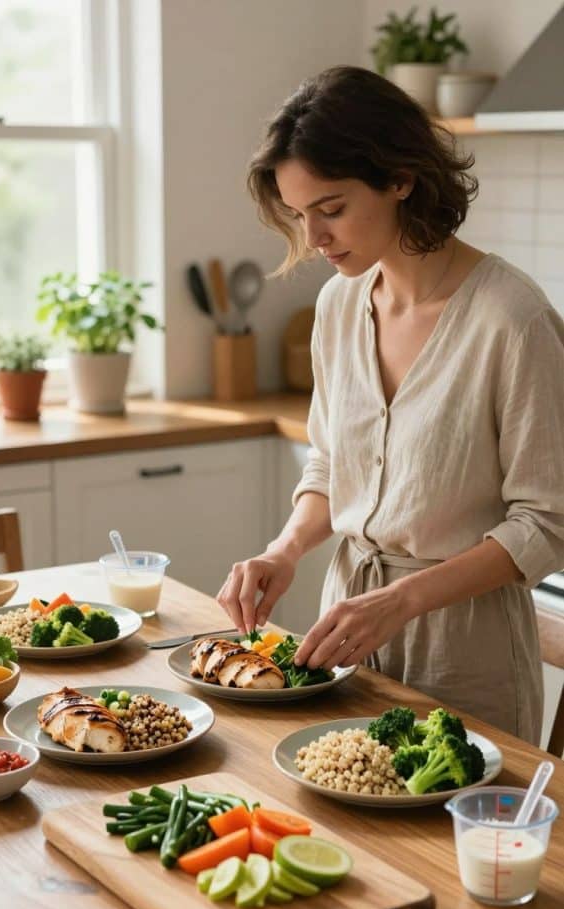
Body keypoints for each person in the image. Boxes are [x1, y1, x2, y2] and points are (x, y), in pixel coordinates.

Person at [216, 65, 564, 750]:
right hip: (348, 628)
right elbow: (329, 465)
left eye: (332, 207)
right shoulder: (338, 306)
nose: (313, 237)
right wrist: (283, 551)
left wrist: (402, 600)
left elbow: (545, 523)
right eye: (298, 214)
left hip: (464, 648)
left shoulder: (511, 319)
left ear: (401, 178)